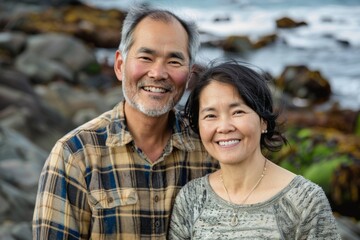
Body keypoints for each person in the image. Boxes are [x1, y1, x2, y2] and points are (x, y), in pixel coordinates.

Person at [32, 5, 219, 239]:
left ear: (190, 73)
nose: (158, 73)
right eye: (146, 57)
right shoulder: (75, 155)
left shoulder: (210, 148)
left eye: (174, 61)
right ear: (120, 65)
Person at [168, 61, 341, 239]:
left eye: (237, 112)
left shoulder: (305, 201)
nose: (224, 127)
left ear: (263, 120)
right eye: (210, 115)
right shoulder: (192, 198)